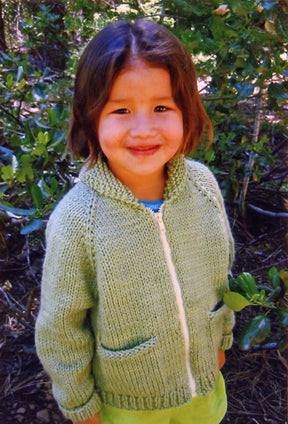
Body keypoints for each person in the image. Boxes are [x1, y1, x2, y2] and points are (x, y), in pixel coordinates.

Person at [35, 19, 235, 424]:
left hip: (204, 389)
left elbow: (218, 272)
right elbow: (61, 327)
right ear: (90, 117)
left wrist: (221, 336)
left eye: (162, 107)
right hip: (126, 406)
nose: (144, 129)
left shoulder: (202, 186)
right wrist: (79, 404)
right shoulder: (78, 221)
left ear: (186, 109)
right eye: (122, 109)